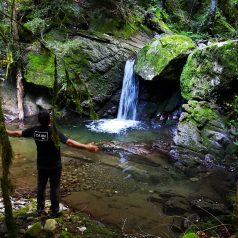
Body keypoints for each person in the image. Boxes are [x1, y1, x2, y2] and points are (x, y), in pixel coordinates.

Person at [7, 109, 99, 217]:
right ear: (49, 119)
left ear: (39, 120)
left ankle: (40, 209)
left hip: (41, 165)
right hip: (54, 166)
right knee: (54, 188)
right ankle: (54, 211)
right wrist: (86, 147)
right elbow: (69, 142)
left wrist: (6, 131)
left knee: (41, 187)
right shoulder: (54, 132)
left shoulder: (35, 130)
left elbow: (18, 133)